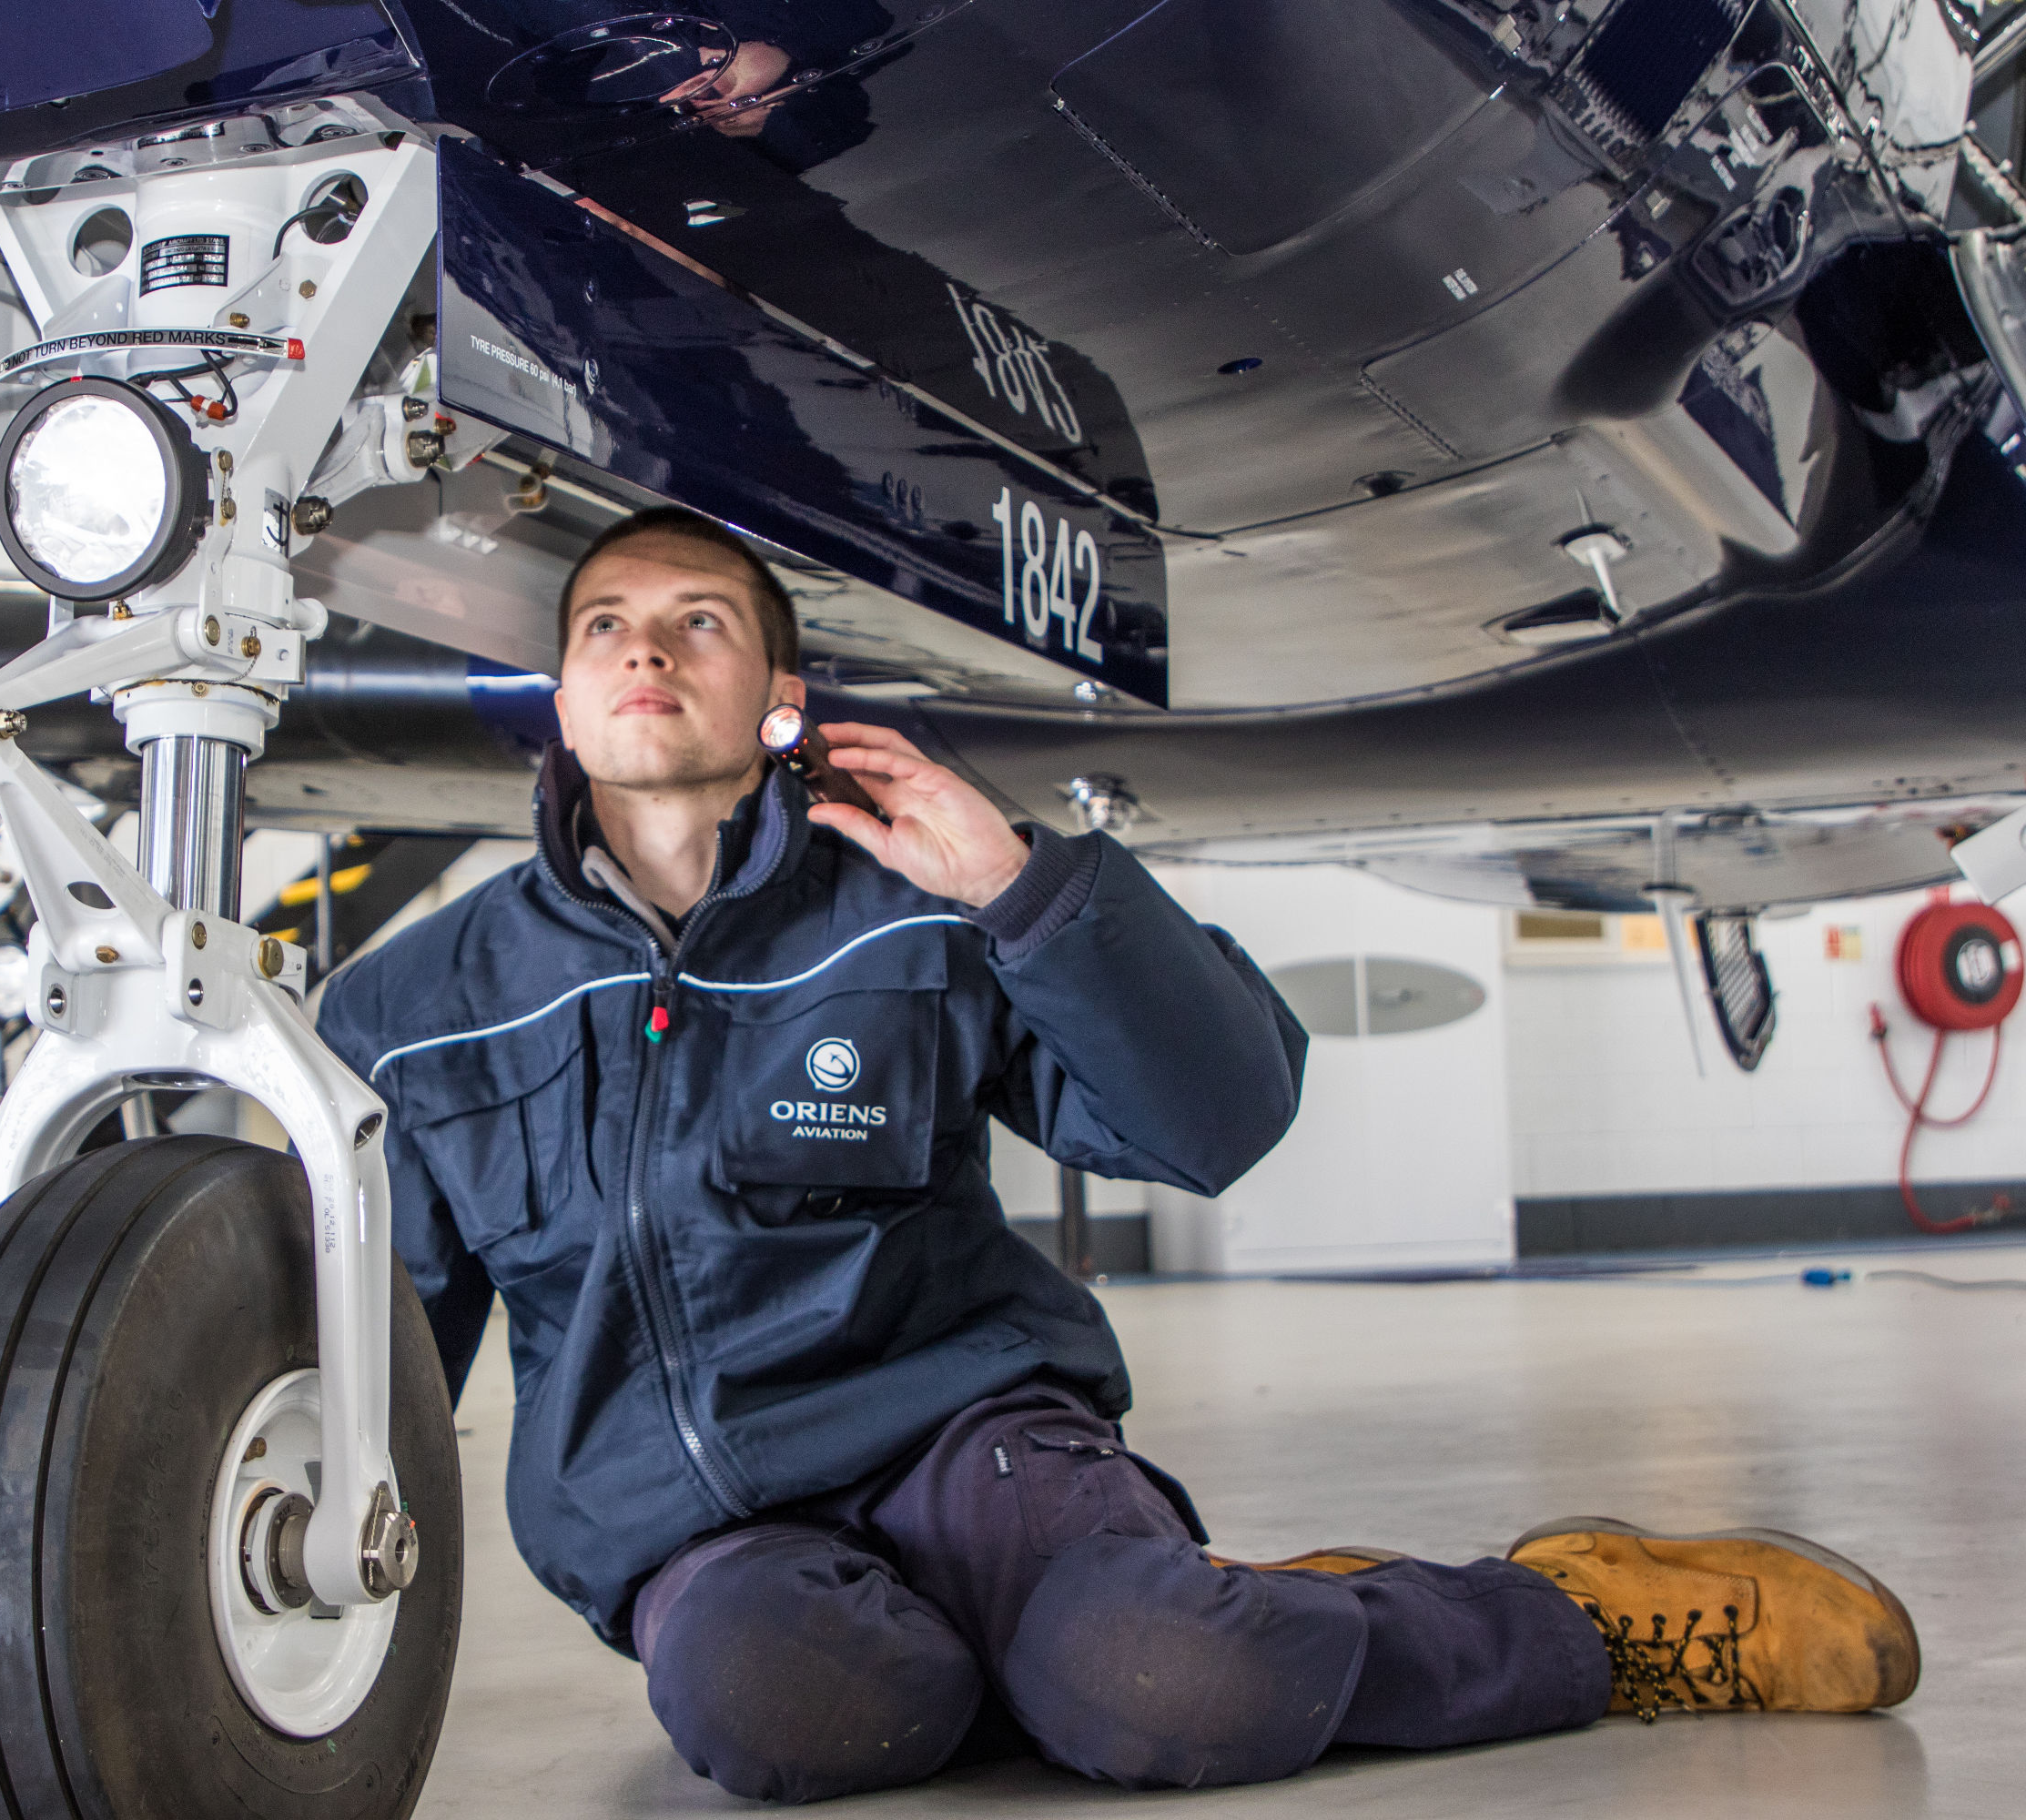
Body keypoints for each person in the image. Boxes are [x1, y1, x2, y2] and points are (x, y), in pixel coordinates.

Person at [314, 506, 1920, 1802]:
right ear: (565, 696)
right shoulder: (413, 1005)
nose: (646, 648)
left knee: (1174, 1690)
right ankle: (1136, 1625)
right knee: (785, 1717)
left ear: (777, 699)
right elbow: (378, 1358)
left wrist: (1023, 890)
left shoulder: (918, 911)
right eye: (607, 627)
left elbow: (1220, 1117)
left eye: (699, 623)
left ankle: (1572, 1619)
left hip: (970, 1444)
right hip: (700, 1528)